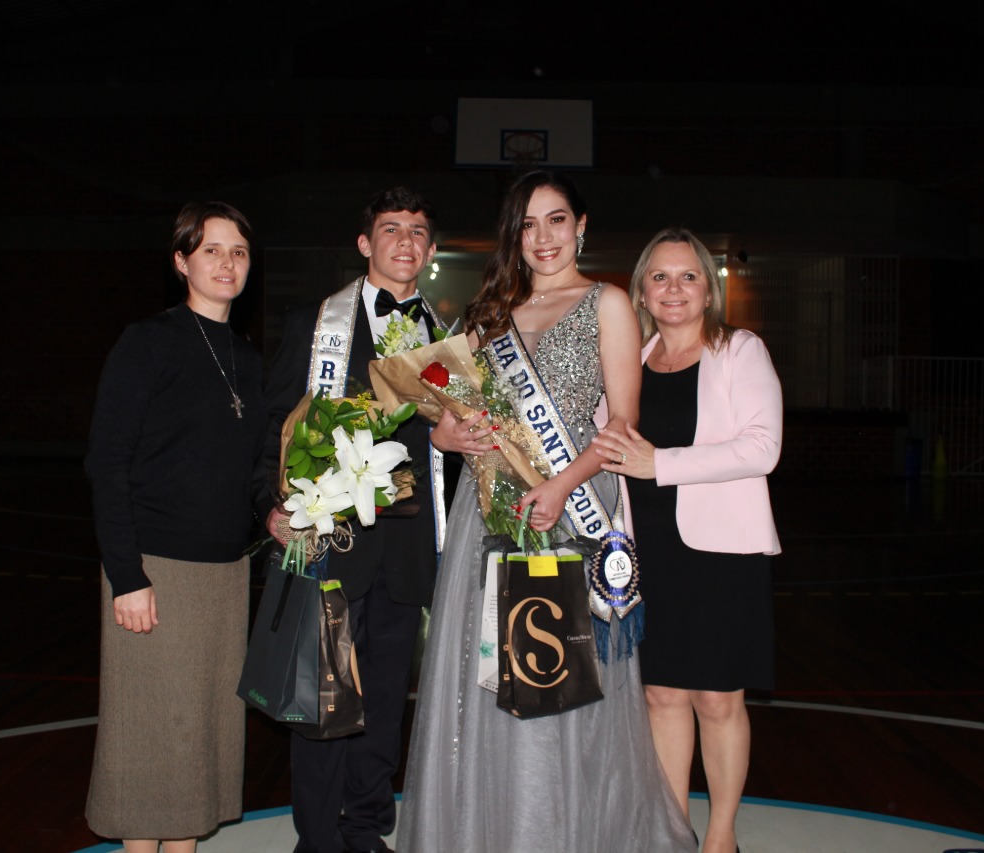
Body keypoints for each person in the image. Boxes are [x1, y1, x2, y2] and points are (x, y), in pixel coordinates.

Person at [396, 171, 697, 852]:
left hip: (569, 509)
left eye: (556, 220)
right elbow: (445, 405)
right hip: (494, 514)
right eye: (528, 225)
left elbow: (623, 422)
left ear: (581, 226)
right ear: (514, 236)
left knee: (557, 686)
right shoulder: (488, 313)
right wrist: (446, 434)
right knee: (491, 677)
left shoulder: (607, 302)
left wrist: (562, 485)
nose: (543, 238)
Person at [256, 187, 448, 853]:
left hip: (407, 552)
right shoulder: (316, 325)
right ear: (365, 244)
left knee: (388, 698)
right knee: (325, 702)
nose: (407, 241)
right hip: (334, 545)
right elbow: (272, 429)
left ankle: (365, 826)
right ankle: (318, 838)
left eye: (419, 230)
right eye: (392, 228)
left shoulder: (443, 336)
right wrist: (273, 507)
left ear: (429, 248)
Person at [591, 227, 782, 853]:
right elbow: (599, 447)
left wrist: (660, 465)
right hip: (645, 555)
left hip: (722, 555)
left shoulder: (740, 350)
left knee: (719, 701)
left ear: (709, 290)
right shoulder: (630, 360)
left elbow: (763, 448)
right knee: (662, 695)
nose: (674, 288)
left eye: (688, 276)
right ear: (641, 291)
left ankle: (721, 837)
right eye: (660, 276)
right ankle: (674, 833)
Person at [84, 202, 267, 853]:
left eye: (239, 251)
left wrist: (278, 506)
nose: (227, 263)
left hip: (225, 576)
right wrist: (126, 576)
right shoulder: (148, 342)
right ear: (181, 261)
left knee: (199, 743)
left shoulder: (248, 359)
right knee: (152, 744)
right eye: (212, 249)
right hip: (155, 571)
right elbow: (106, 463)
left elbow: (248, 473)